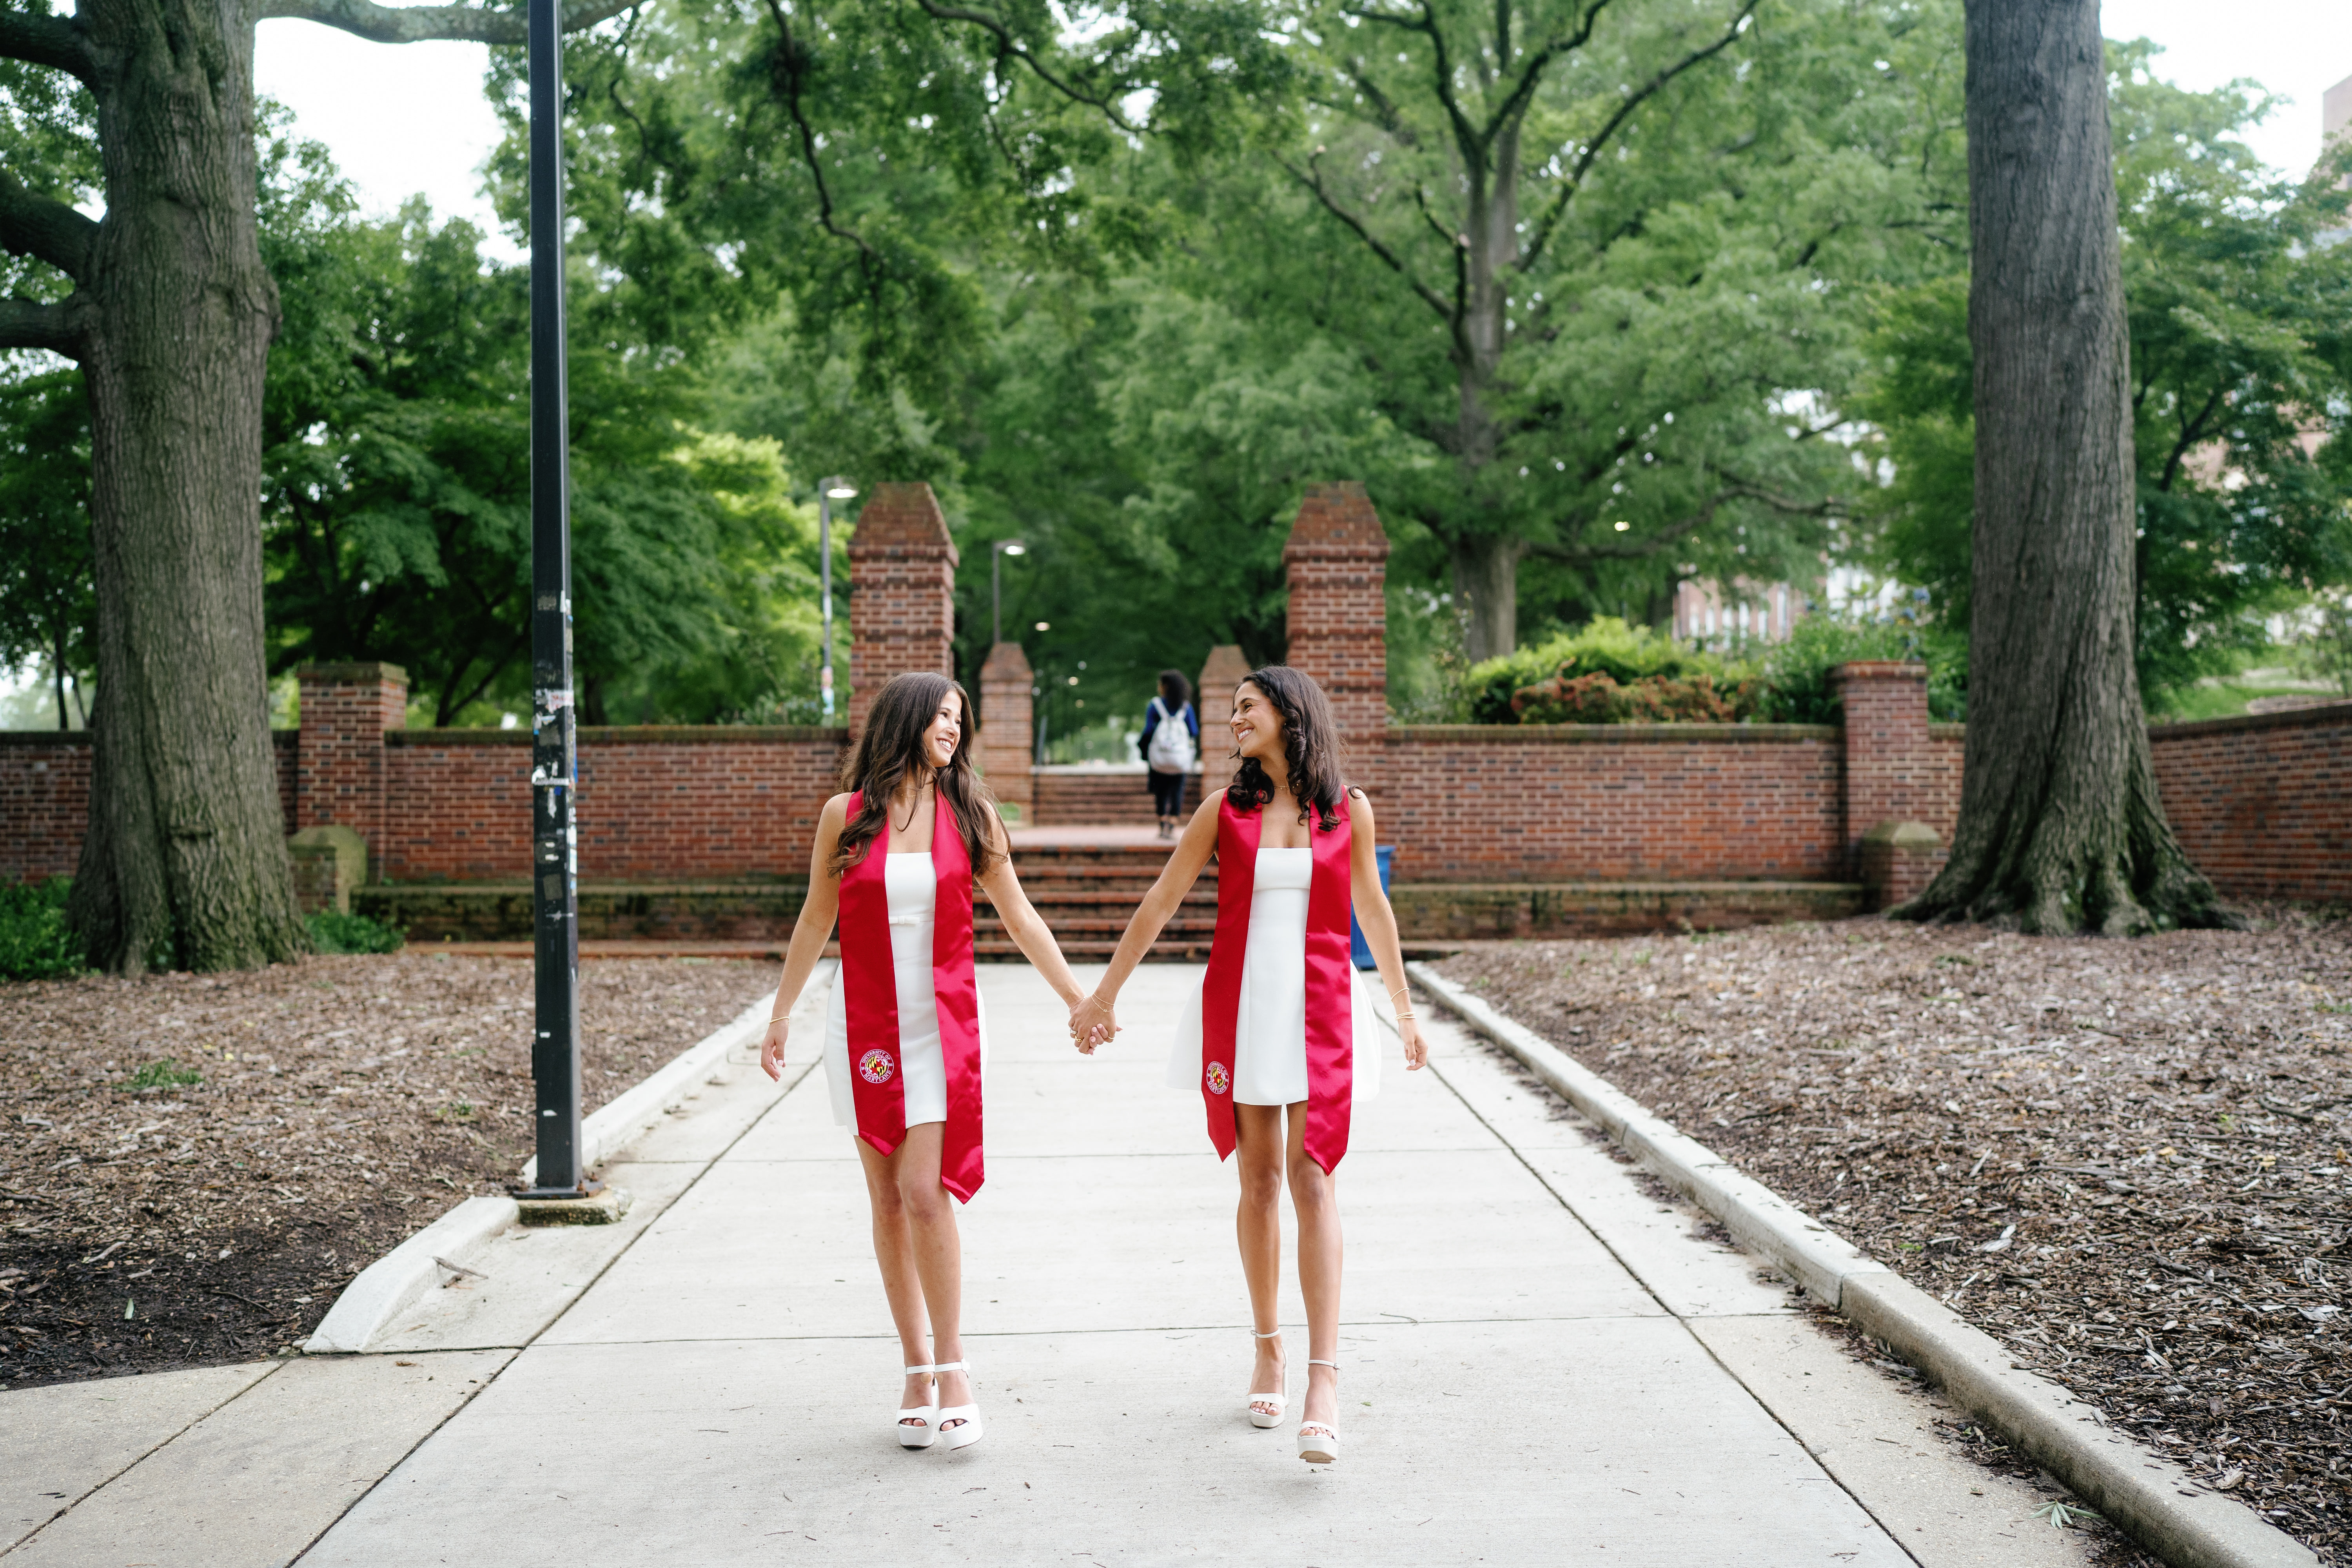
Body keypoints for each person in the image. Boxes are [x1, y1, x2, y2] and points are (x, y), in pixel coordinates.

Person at [1071, 665, 1425, 1466]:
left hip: (1323, 1012)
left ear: (1292, 715)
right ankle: (1269, 1346)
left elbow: (1373, 907)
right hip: (1243, 1009)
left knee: (1314, 1178)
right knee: (1259, 1181)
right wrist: (1103, 997)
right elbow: (1161, 901)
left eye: (1247, 707)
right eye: (1230, 708)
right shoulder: (1223, 810)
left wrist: (1403, 1012)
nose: (1233, 718)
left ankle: (1325, 1379)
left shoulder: (1348, 811)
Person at [759, 671, 1092, 1453]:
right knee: (884, 1196)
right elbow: (816, 916)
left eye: (959, 718)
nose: (953, 728)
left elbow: (1020, 915)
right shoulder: (847, 818)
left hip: (940, 1027)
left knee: (924, 1190)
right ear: (905, 720)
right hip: (864, 1026)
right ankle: (915, 1368)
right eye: (942, 715)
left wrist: (1080, 998)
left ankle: (955, 1366)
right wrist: (781, 1015)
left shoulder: (969, 813)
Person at [1140, 669, 1199, 840]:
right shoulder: (1186, 707)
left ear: (1165, 686)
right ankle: (1172, 825)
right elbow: (1193, 731)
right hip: (1179, 759)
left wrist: (1145, 749)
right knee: (1177, 791)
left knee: (1161, 792)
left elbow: (1148, 730)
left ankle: (1162, 825)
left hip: (1159, 759)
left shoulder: (1155, 705)